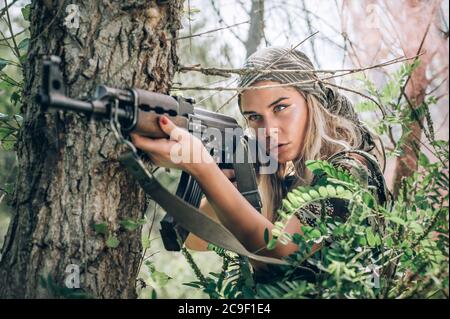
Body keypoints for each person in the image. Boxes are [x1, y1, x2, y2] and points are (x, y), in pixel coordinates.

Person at [130, 47, 390, 279]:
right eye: (254, 117)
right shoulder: (280, 176)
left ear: (311, 103)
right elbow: (197, 240)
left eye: (280, 108)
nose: (269, 129)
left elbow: (283, 254)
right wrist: (224, 177)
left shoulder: (351, 170)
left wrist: (202, 168)